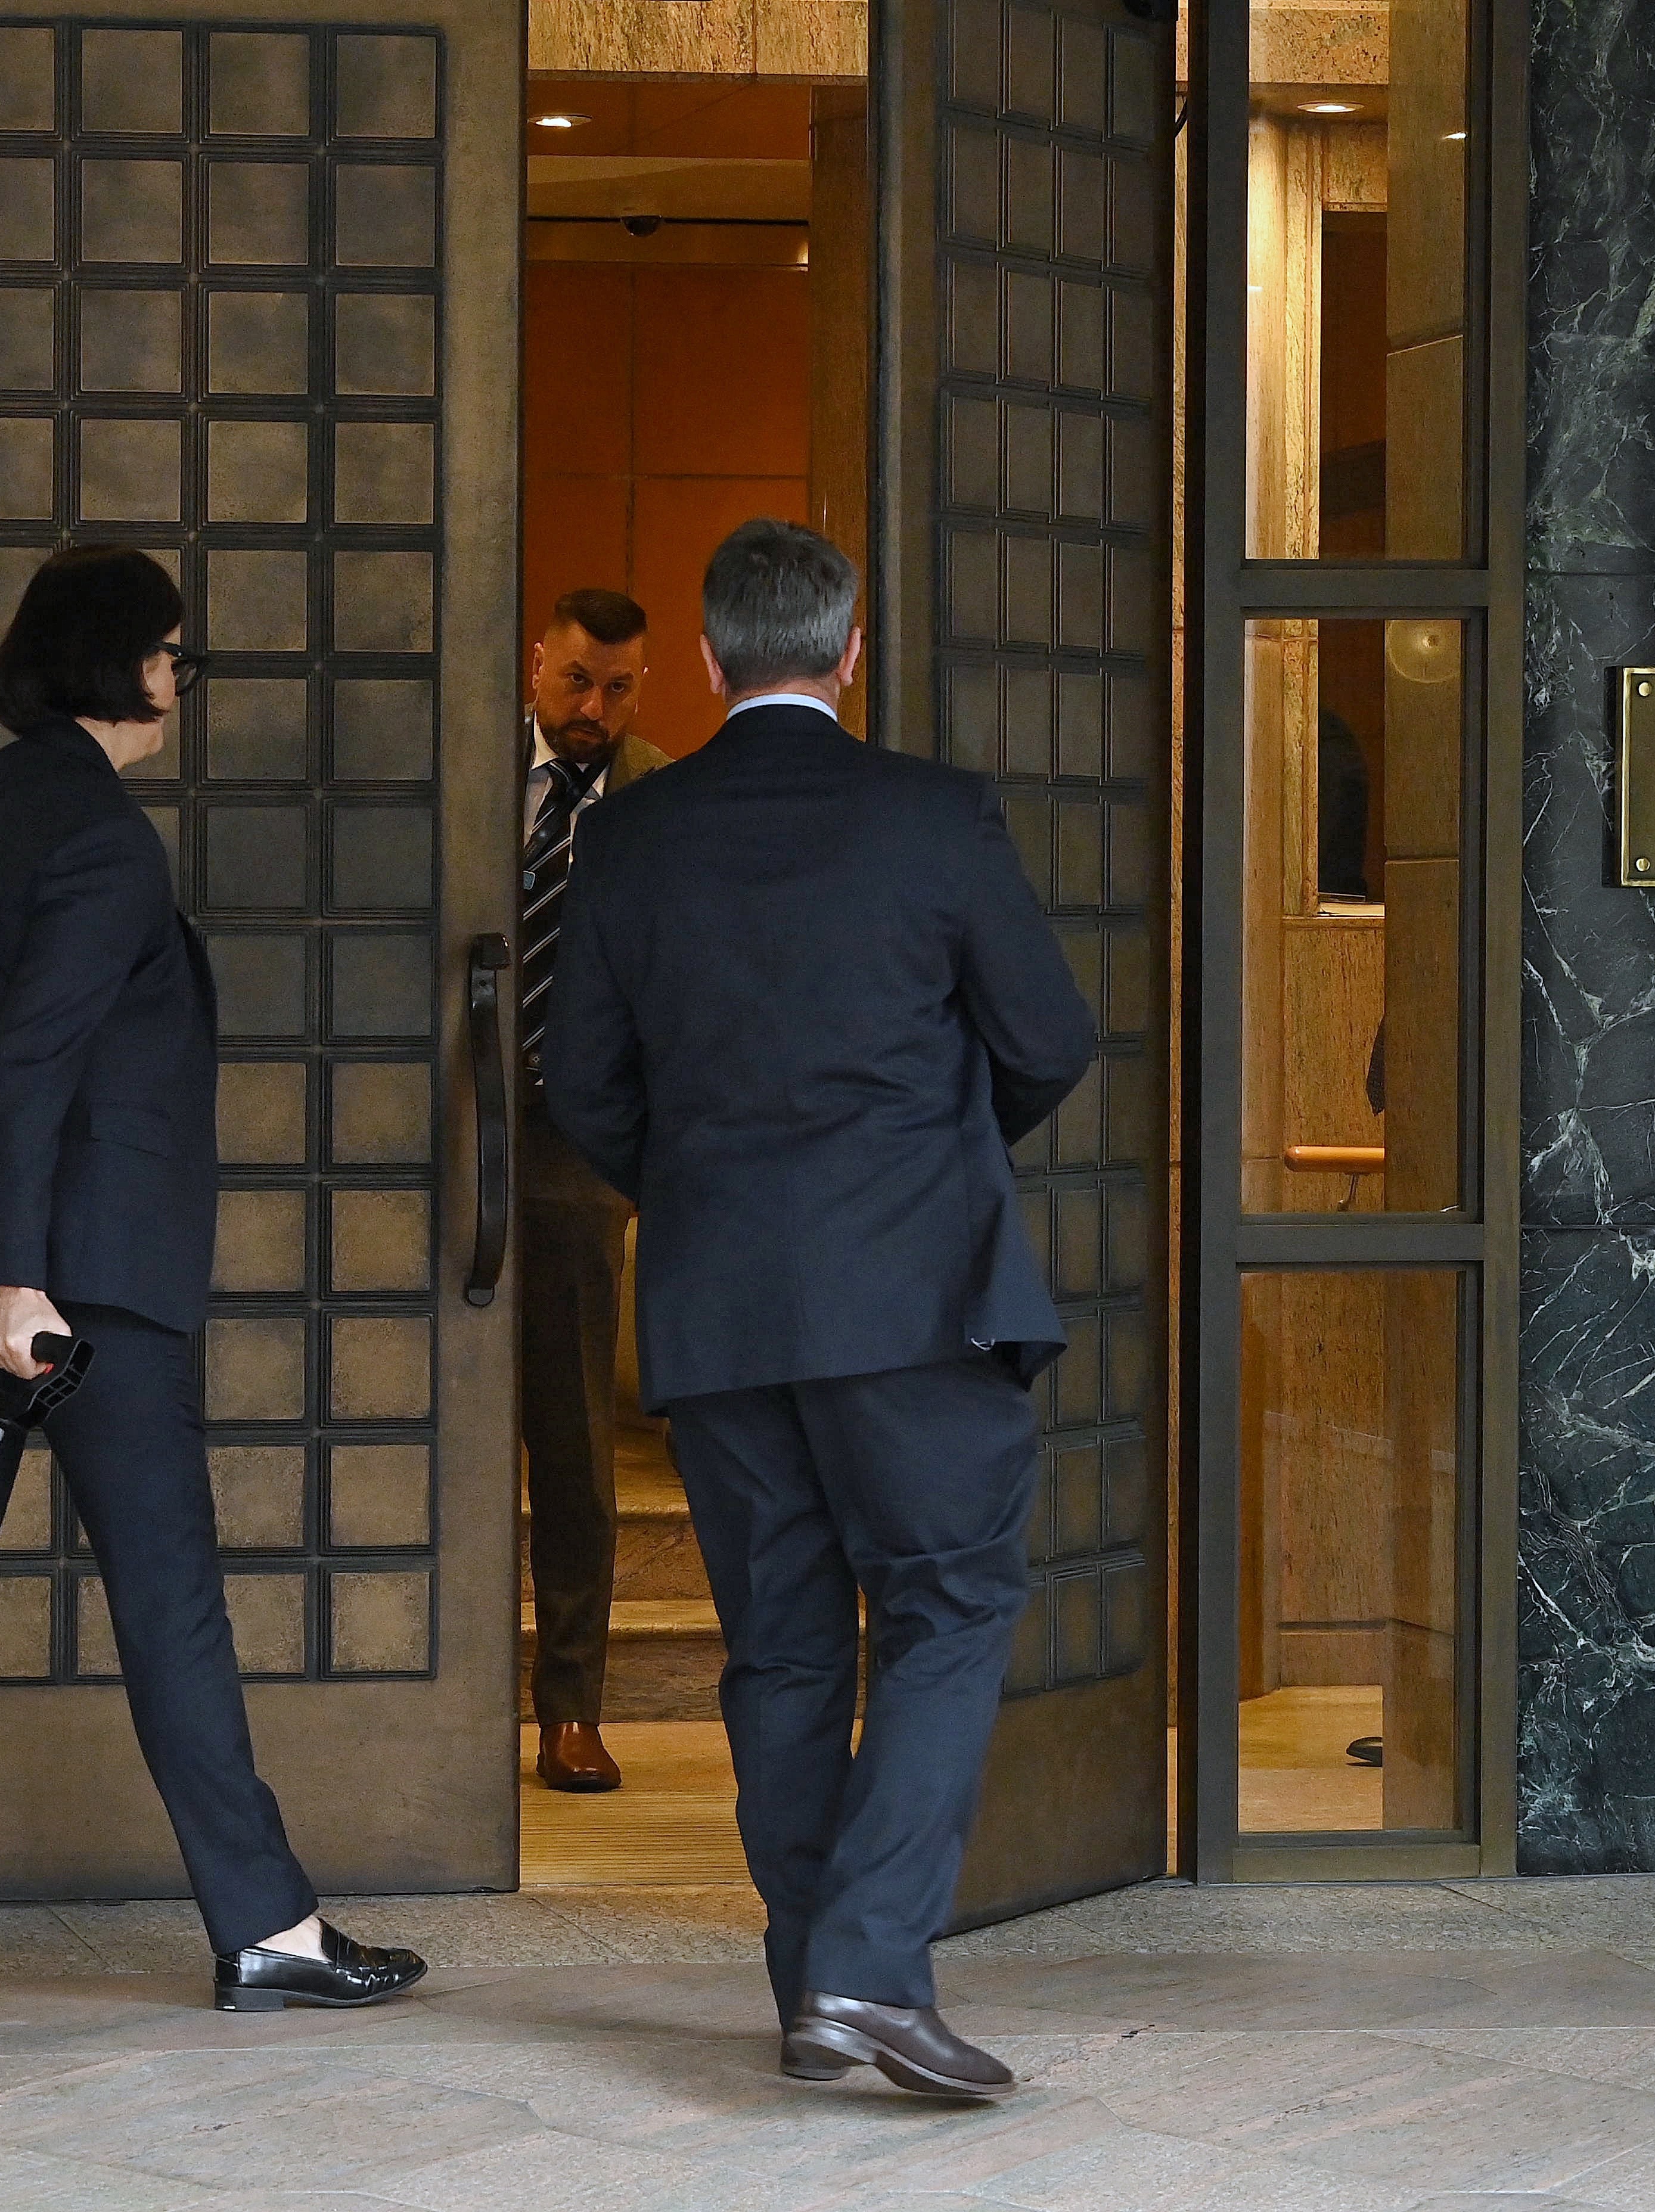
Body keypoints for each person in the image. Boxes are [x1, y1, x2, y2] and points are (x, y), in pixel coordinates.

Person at [543, 519, 1094, 2100]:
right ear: (852, 654)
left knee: (782, 1653)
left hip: (723, 1309)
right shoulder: (933, 816)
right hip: (917, 1300)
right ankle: (864, 1971)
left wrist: (714, 1193)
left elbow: (581, 1084)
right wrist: (927, 1158)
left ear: (711, 662)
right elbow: (1048, 1036)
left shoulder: (634, 838)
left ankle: (817, 1986)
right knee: (949, 1609)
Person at [0, 543, 428, 2016]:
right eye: (176, 652)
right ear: (119, 662)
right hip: (63, 1292)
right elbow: (32, 1060)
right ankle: (271, 1931)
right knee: (170, 1600)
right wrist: (20, 1276)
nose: (182, 677)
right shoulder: (102, 837)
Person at [514, 588, 669, 1793]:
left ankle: (572, 1703)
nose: (592, 711)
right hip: (446, 1122)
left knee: (572, 1434)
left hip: (579, 1136)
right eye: (576, 681)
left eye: (618, 688)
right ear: (540, 661)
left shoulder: (659, 795)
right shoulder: (470, 766)